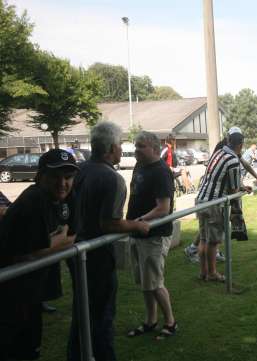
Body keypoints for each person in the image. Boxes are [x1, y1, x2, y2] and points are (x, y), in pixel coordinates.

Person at [68, 122, 149, 361]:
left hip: (74, 253)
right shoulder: (112, 178)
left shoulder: (79, 170)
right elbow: (110, 223)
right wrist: (138, 225)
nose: (121, 148)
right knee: (102, 316)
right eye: (121, 143)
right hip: (96, 255)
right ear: (112, 148)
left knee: (81, 311)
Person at [0, 149, 78, 361]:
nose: (63, 183)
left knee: (30, 349)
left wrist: (58, 241)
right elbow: (27, 256)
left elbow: (73, 235)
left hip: (32, 292)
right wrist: (60, 241)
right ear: (40, 176)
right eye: (55, 176)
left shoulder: (66, 198)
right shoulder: (33, 200)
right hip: (9, 293)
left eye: (68, 177)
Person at [126, 131, 178, 340]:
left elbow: (163, 208)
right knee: (146, 283)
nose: (136, 150)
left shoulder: (161, 171)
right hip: (138, 233)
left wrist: (139, 221)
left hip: (154, 235)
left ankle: (171, 322)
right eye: (136, 146)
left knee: (155, 283)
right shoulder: (140, 167)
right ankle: (150, 321)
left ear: (155, 149)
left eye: (141, 146)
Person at [195, 127, 252, 282]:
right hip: (214, 203)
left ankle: (203, 272)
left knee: (203, 239)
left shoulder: (218, 153)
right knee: (213, 241)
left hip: (200, 200)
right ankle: (212, 273)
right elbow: (233, 188)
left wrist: (241, 187)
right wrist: (241, 189)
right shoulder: (233, 160)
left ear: (228, 141)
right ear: (240, 145)